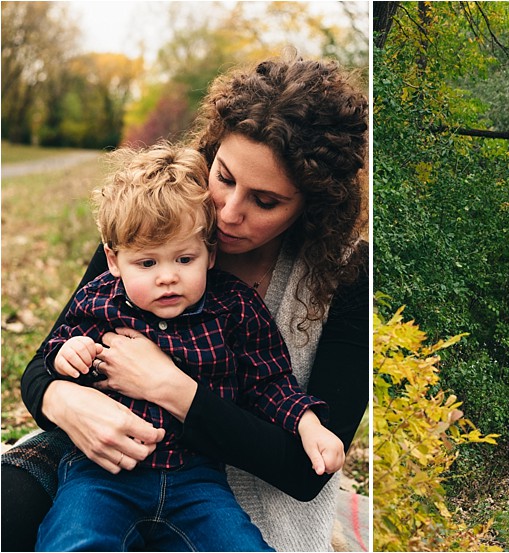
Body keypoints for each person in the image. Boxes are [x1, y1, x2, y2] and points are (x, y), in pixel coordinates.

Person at [2, 51, 369, 552]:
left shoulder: (347, 274)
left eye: (265, 201)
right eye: (224, 176)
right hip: (103, 458)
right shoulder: (157, 223)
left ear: (313, 205)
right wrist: (64, 398)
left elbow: (305, 472)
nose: (228, 213)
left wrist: (169, 386)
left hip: (222, 490)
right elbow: (48, 360)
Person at [35, 143, 345, 551]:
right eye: (148, 264)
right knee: (77, 539)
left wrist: (307, 422)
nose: (168, 277)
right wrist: (67, 353)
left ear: (209, 253)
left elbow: (268, 381)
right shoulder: (100, 298)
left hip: (196, 480)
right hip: (102, 472)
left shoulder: (234, 308)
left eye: (184, 259)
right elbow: (53, 351)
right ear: (113, 260)